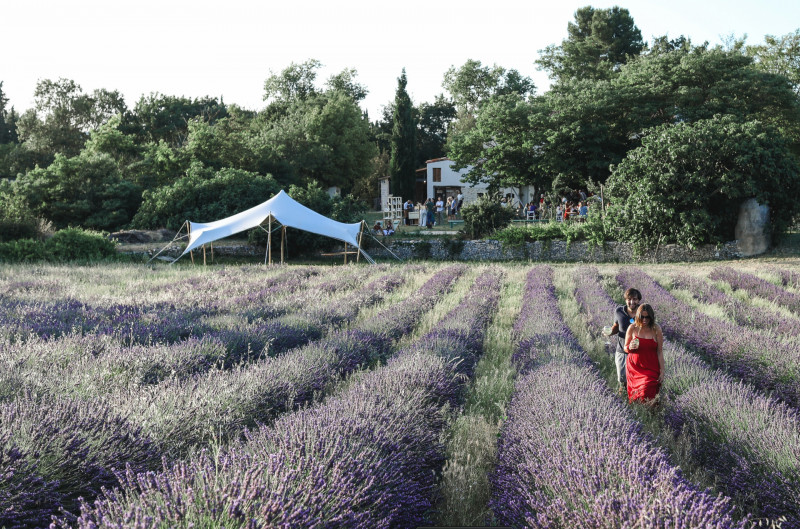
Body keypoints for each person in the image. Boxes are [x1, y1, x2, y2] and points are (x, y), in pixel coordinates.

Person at [624, 304, 664, 405]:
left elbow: (659, 351)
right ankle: (640, 415)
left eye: (648, 317)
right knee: (636, 396)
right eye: (642, 317)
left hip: (651, 367)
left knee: (647, 389)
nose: (645, 319)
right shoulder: (632, 328)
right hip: (635, 367)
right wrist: (630, 347)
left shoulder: (656, 329)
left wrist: (662, 371)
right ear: (638, 316)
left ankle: (650, 415)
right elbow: (625, 347)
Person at [606, 288, 642, 395]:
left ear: (638, 300)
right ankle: (623, 403)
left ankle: (636, 402)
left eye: (634, 299)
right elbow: (616, 327)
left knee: (637, 381)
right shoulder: (619, 311)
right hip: (622, 351)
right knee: (623, 381)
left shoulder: (643, 312)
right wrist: (609, 332)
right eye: (629, 299)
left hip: (639, 352)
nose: (632, 302)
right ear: (625, 300)